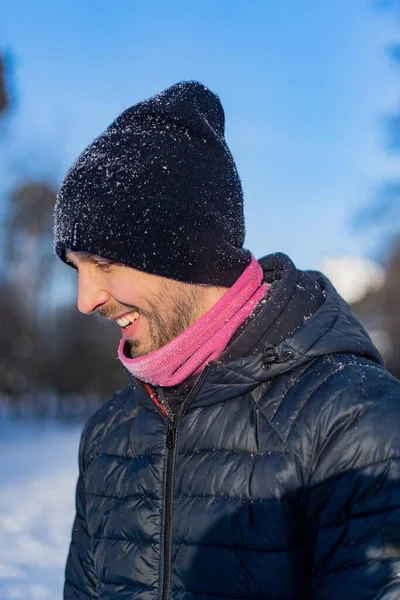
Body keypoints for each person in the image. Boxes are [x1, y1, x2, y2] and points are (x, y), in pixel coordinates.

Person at [54, 81, 400, 600]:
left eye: (104, 262)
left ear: (185, 253)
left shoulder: (356, 421)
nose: (86, 299)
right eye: (76, 268)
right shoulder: (110, 433)